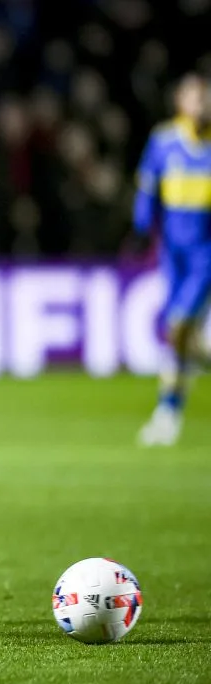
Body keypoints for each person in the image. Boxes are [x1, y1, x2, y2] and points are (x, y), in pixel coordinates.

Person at [135, 72, 211, 447]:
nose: (203, 105)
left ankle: (167, 411)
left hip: (204, 256)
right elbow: (148, 191)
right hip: (172, 254)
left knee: (177, 327)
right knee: (185, 340)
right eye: (197, 97)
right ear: (182, 101)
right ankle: (170, 411)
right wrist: (142, 224)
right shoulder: (164, 142)